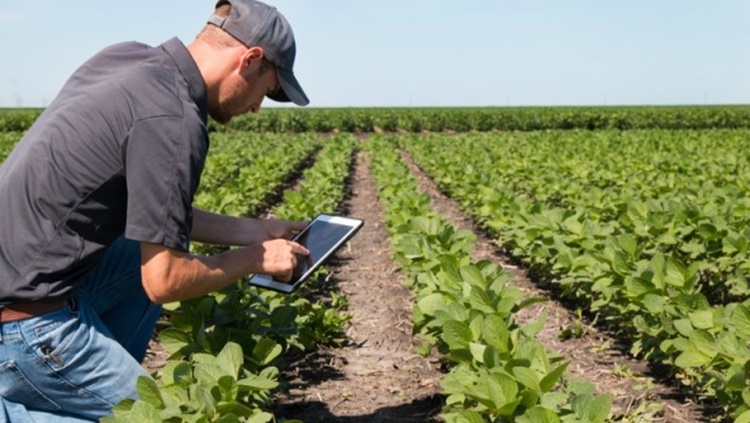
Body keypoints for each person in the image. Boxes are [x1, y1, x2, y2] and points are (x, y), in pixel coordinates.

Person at [0, 0, 311, 421]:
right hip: (25, 326)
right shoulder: (175, 119)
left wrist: (254, 231)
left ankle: (86, 396)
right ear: (250, 59)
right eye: (269, 90)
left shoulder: (127, 59)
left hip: (23, 290)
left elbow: (158, 215)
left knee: (136, 249)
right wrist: (257, 258)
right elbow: (164, 281)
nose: (257, 107)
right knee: (168, 416)